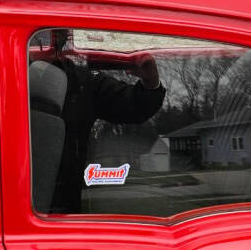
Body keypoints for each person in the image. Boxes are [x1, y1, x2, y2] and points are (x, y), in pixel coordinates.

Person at [46, 29, 165, 213]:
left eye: (55, 33)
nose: (48, 39)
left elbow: (135, 105)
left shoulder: (81, 82)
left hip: (64, 214)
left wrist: (150, 82)